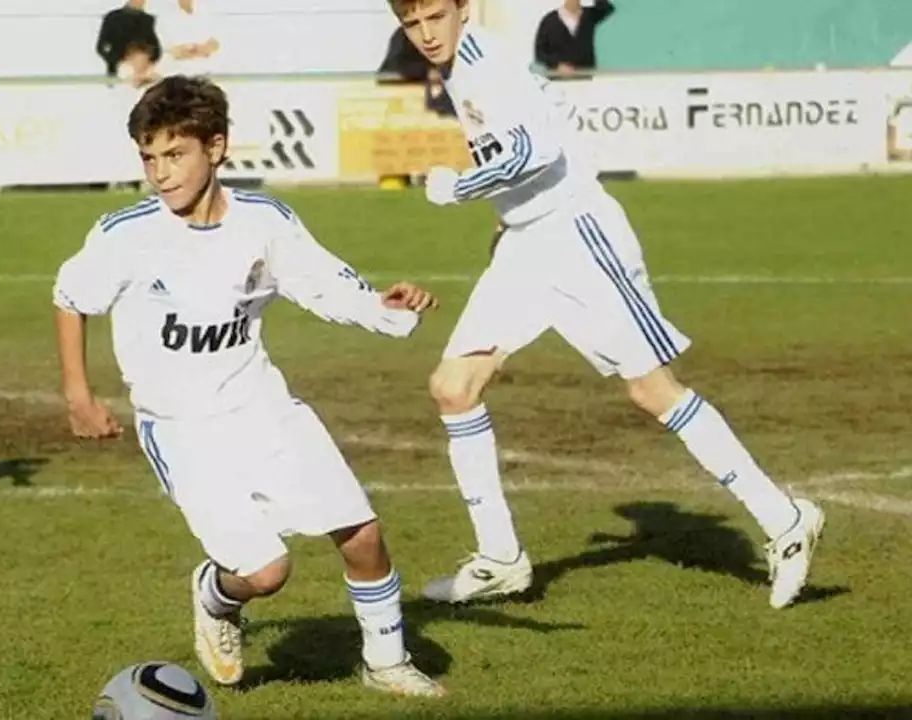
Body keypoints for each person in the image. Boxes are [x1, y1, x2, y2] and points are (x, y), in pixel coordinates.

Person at [385, 0, 825, 610]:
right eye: (413, 23)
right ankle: (502, 559)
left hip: (576, 235)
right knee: (454, 386)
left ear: (462, 8)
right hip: (527, 241)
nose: (427, 33)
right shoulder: (461, 64)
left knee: (653, 390)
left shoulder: (488, 63)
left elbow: (534, 155)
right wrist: (504, 224)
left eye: (436, 16)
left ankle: (785, 521)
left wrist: (456, 187)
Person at [51, 76, 445, 696]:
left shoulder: (264, 222)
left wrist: (390, 306)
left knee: (363, 535)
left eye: (174, 154)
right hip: (180, 428)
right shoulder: (126, 233)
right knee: (265, 572)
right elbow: (70, 296)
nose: (160, 173)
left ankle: (387, 662)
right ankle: (215, 596)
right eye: (148, 157)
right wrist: (78, 393)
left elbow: (326, 287)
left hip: (262, 406)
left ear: (217, 147)